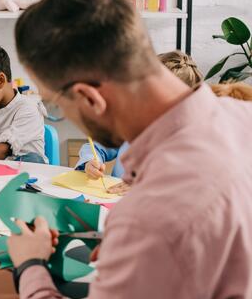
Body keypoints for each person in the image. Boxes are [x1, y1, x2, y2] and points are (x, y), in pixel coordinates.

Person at [8, 0, 252, 299]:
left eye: (57, 105)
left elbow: (169, 223)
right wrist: (137, 254)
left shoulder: (152, 219)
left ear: (91, 99)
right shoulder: (243, 116)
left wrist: (30, 266)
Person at [76, 50, 204, 195]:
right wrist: (90, 162)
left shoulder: (192, 144)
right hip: (111, 202)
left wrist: (145, 186)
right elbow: (97, 147)